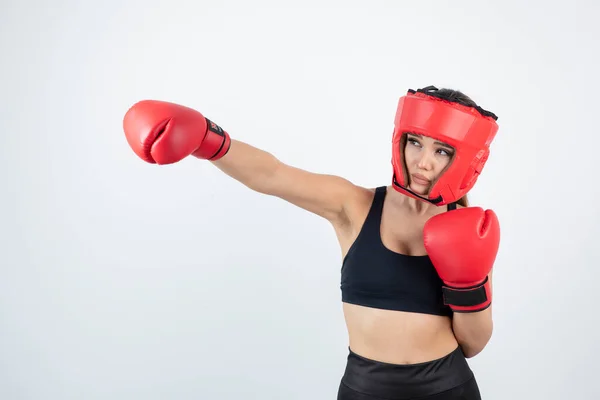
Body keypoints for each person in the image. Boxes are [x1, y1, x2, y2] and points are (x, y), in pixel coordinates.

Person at [122, 85, 500, 399]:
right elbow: (272, 174)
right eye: (416, 142)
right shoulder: (355, 205)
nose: (424, 162)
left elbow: (472, 344)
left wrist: (469, 283)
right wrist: (207, 138)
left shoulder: (469, 230)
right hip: (364, 388)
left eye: (442, 151)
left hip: (448, 388)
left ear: (465, 160)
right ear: (399, 140)